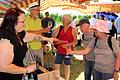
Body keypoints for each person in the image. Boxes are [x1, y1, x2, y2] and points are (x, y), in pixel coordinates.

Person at [0, 7, 57, 80]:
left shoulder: (18, 33)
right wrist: (27, 69)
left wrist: (48, 39)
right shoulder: (6, 38)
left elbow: (33, 37)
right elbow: (3, 67)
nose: (24, 24)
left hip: (16, 75)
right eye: (22, 22)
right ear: (13, 22)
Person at [24, 2, 50, 67]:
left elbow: (39, 33)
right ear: (31, 10)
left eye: (39, 10)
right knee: (30, 67)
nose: (38, 12)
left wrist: (43, 43)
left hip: (39, 46)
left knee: (40, 66)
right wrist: (43, 30)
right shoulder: (25, 19)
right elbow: (27, 33)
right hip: (29, 47)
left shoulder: (38, 20)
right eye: (37, 10)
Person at [52, 14, 77, 80]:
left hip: (68, 51)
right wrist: (56, 38)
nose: (62, 20)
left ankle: (66, 79)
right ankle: (57, 78)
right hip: (59, 50)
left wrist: (68, 44)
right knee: (56, 66)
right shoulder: (59, 28)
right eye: (62, 19)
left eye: (64, 19)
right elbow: (53, 38)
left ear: (68, 21)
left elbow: (75, 41)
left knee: (67, 67)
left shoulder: (73, 29)